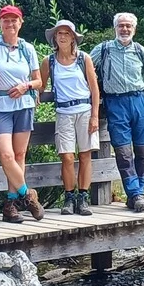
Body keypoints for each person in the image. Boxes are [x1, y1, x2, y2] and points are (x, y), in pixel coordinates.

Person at [0, 5, 44, 223]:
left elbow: (39, 81)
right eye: (6, 20)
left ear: (20, 23)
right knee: (6, 156)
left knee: (19, 156)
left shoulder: (28, 49)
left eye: (14, 20)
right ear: (0, 23)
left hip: (24, 106)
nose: (10, 24)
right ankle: (28, 195)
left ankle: (10, 204)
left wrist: (26, 86)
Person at [91, 12, 144, 213]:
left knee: (142, 151)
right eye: (121, 26)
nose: (125, 29)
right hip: (115, 102)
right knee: (123, 152)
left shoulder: (139, 50)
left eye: (128, 26)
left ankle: (138, 193)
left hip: (139, 101)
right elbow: (84, 68)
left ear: (134, 29)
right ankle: (136, 194)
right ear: (115, 28)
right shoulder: (103, 50)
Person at [39, 19, 100, 216]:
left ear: (73, 37)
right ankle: (69, 196)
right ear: (54, 37)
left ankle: (83, 197)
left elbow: (94, 89)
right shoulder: (48, 61)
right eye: (59, 33)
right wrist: (33, 97)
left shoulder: (84, 59)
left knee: (85, 154)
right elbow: (40, 85)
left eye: (66, 33)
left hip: (84, 110)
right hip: (63, 112)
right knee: (66, 156)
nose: (63, 36)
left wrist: (95, 116)